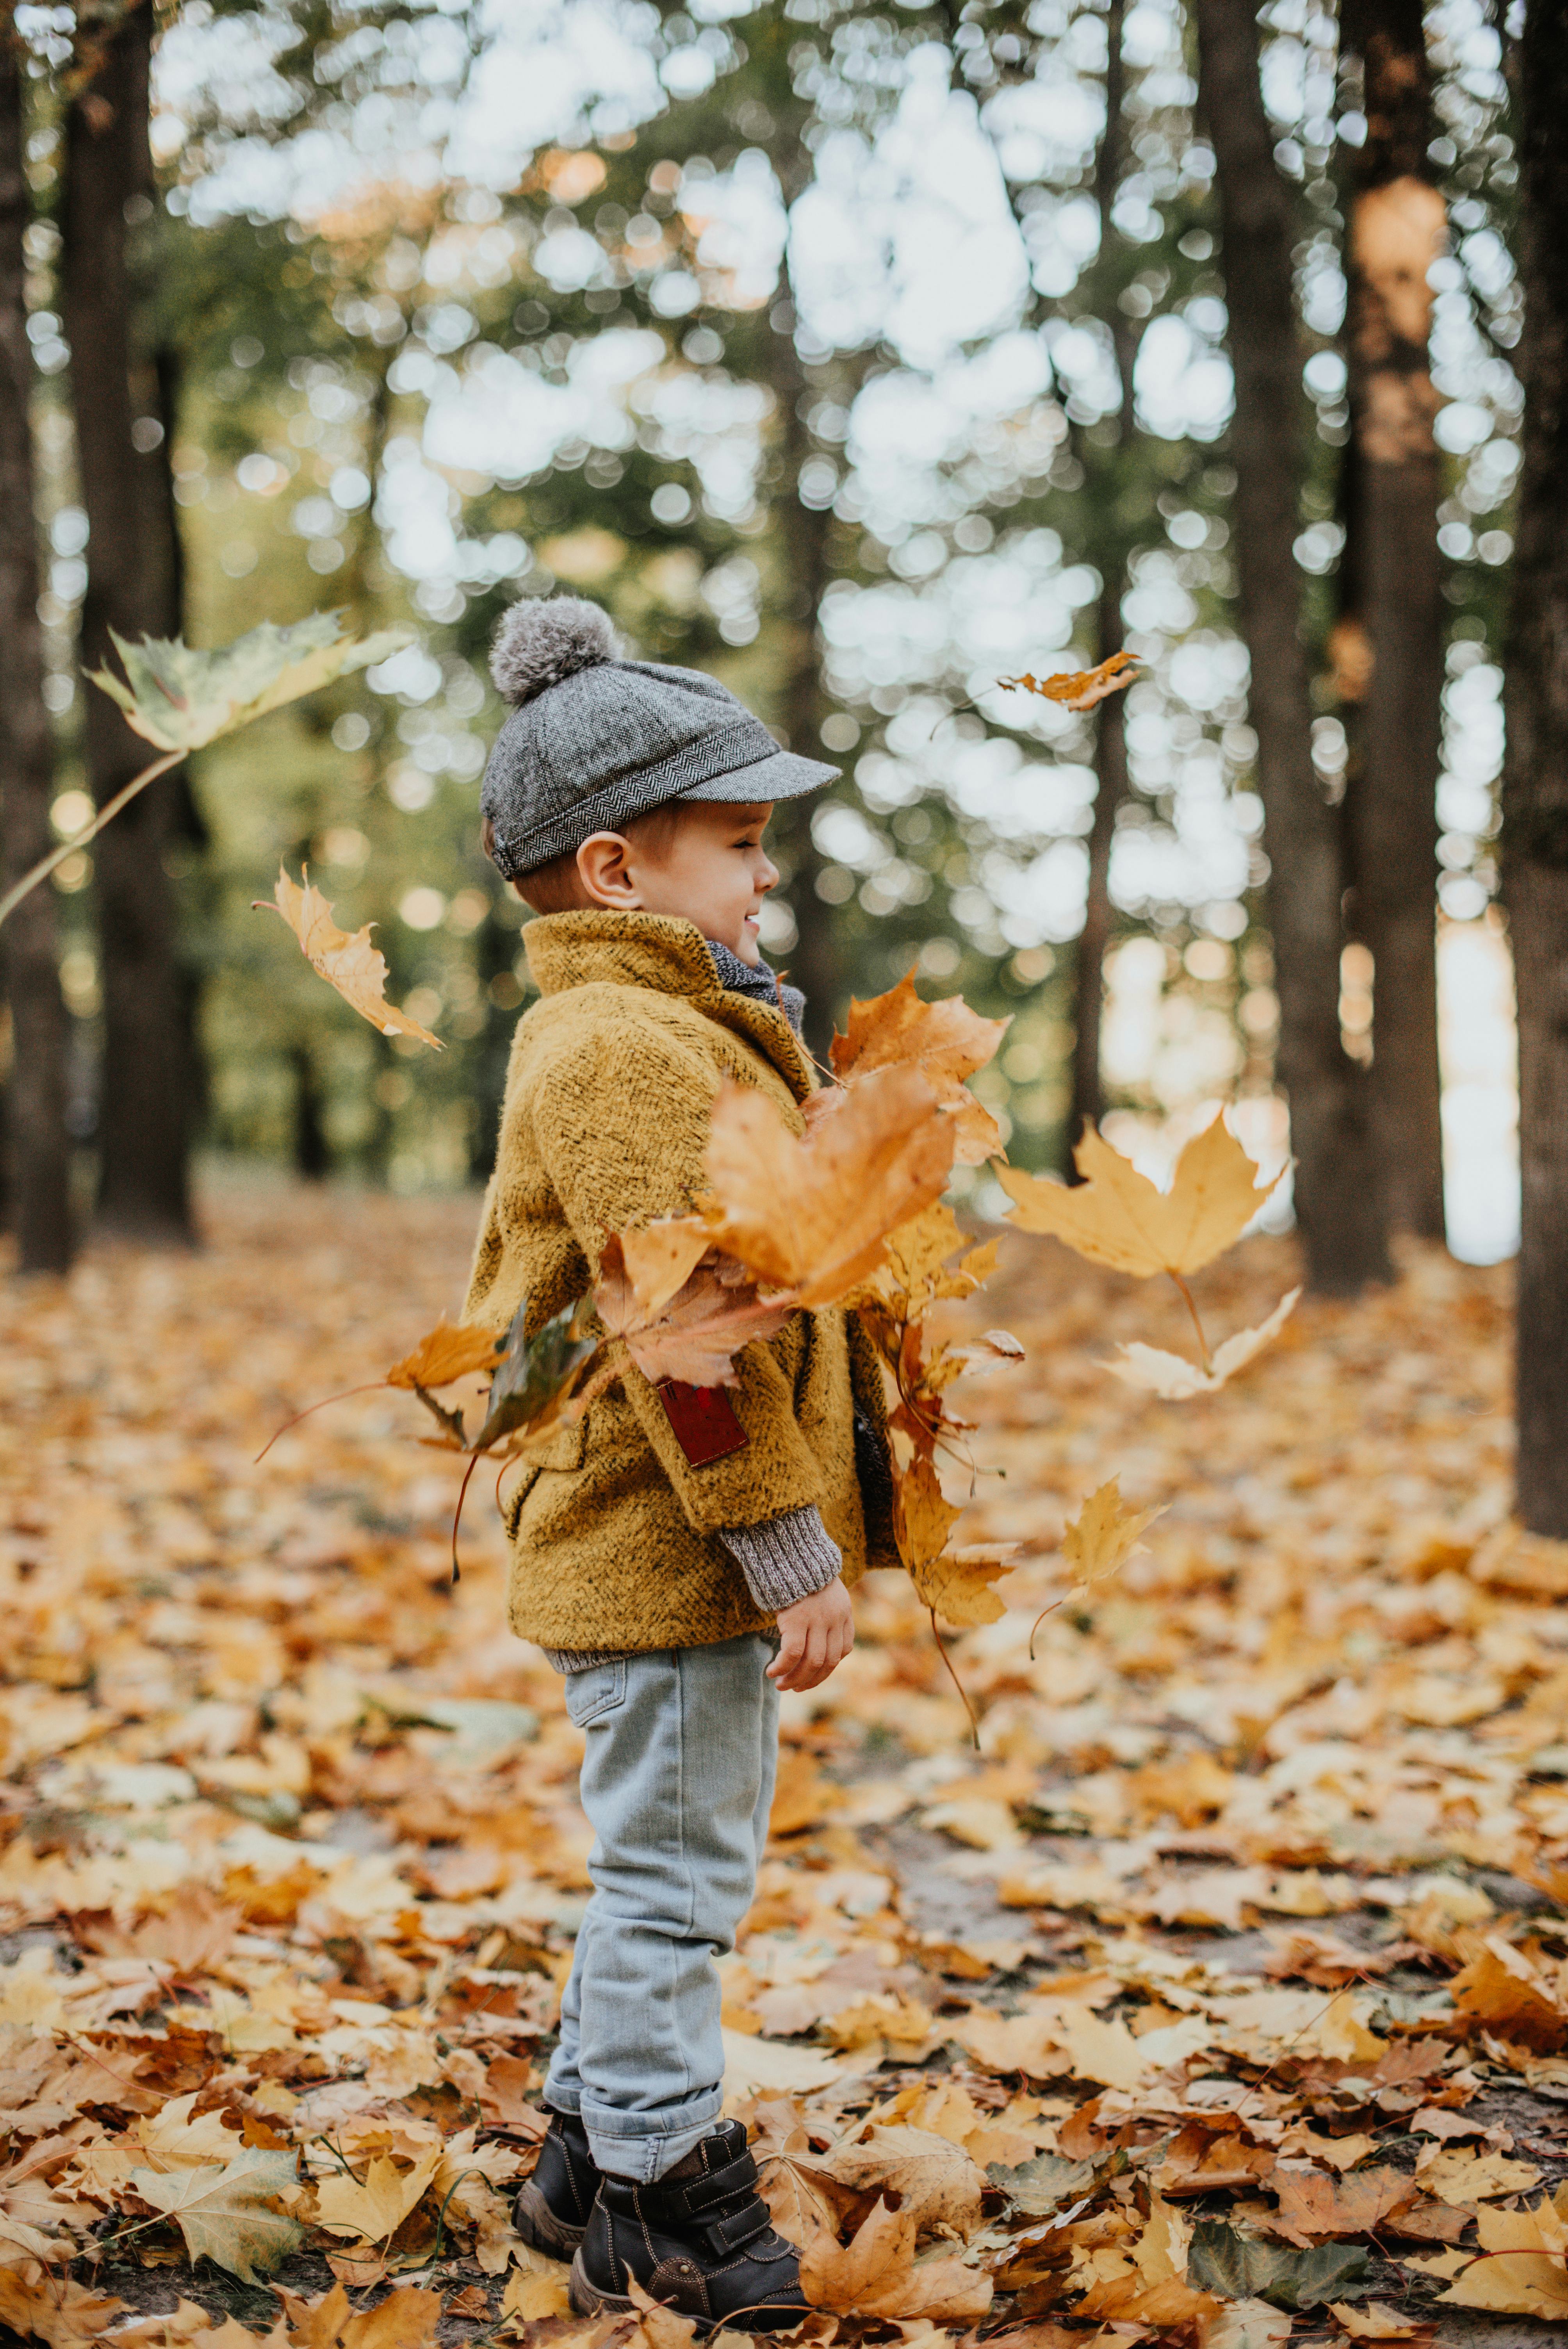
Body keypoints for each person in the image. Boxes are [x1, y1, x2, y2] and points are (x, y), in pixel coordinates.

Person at [463, 595, 898, 2333]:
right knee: (674, 1887)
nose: (763, 875)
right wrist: (779, 1545)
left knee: (652, 1862)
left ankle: (580, 2138)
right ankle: (656, 2196)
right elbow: (687, 1328)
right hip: (671, 1550)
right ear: (615, 871)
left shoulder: (653, 1023)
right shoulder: (621, 1047)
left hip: (664, 1545)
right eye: (737, 844)